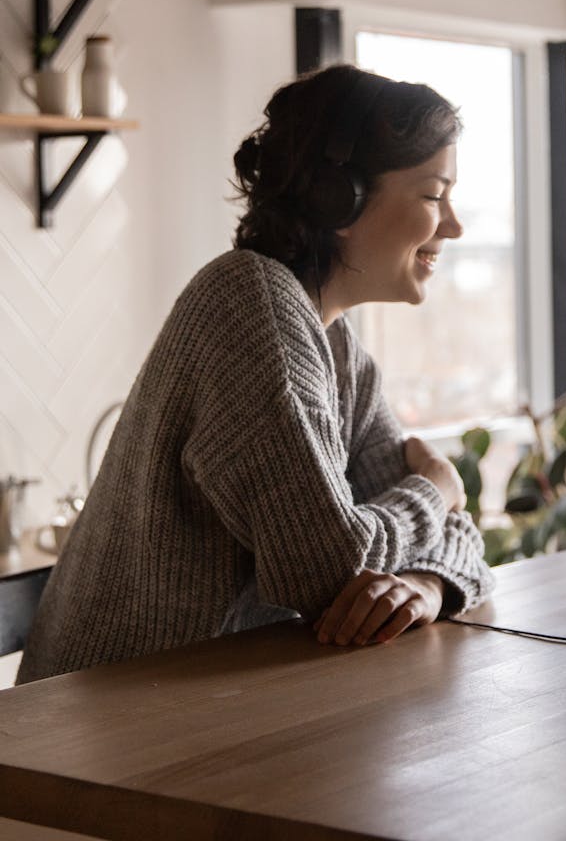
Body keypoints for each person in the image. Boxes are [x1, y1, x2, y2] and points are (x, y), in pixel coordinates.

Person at [17, 63, 493, 684]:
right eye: (434, 195)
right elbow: (331, 572)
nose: (454, 225)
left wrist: (427, 584)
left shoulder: (341, 349)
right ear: (338, 198)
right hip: (93, 731)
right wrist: (437, 490)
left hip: (198, 710)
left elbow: (456, 543)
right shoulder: (251, 306)